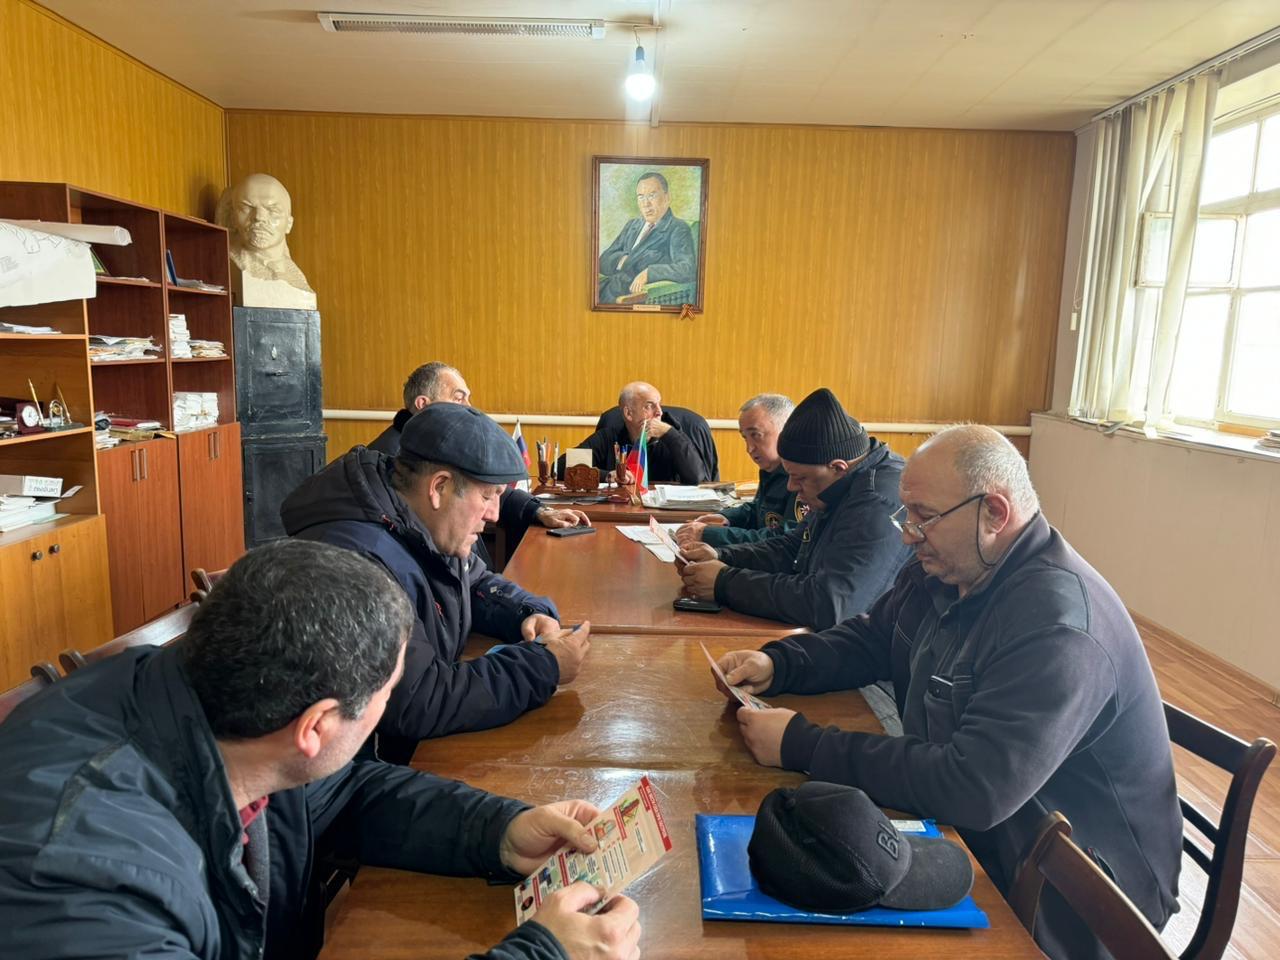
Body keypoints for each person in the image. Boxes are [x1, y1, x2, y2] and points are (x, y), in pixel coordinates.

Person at [0, 541, 641, 960]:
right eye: (387, 697)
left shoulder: (223, 705)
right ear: (317, 726)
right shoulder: (81, 879)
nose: (389, 710)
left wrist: (497, 831)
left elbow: (349, 791)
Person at [714, 425, 1182, 960]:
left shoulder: (1058, 624)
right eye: (906, 514)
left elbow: (973, 786)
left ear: (995, 513)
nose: (907, 535)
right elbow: (874, 637)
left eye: (924, 517)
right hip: (985, 831)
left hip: (1078, 897)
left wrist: (802, 744)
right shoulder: (956, 563)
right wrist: (779, 662)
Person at [281, 402, 591, 760]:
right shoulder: (357, 564)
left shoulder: (416, 521)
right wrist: (543, 667)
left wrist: (527, 612)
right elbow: (418, 699)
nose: (494, 515)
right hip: (348, 772)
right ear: (439, 487)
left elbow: (475, 582)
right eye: (486, 496)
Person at [679, 388, 910, 630]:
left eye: (800, 478)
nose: (791, 487)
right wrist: (721, 556)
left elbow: (831, 605)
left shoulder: (877, 503)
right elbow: (794, 547)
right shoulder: (837, 481)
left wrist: (725, 582)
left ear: (838, 467)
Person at [368, 361, 589, 565]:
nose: (470, 407)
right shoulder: (395, 457)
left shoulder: (441, 444)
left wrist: (538, 510)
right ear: (423, 404)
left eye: (468, 398)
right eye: (458, 398)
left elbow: (488, 489)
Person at [675, 394, 803, 549]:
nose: (749, 448)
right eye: (745, 438)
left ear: (786, 430)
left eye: (756, 435)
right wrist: (725, 517)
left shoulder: (802, 478)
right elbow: (758, 511)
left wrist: (710, 535)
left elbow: (782, 541)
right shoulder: (771, 469)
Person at [568, 381, 716, 484]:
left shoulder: (673, 436)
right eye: (649, 406)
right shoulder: (608, 437)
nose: (659, 412)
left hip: (664, 515)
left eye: (659, 404)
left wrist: (670, 434)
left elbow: (696, 477)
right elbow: (566, 465)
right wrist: (606, 476)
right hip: (621, 511)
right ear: (628, 413)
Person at [214, 172, 316, 308]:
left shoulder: (296, 279)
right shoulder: (233, 268)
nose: (259, 217)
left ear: (289, 223)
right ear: (232, 219)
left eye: (272, 210)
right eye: (247, 208)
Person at [598, 172, 696, 304]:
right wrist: (623, 260)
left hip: (632, 299)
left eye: (652, 195)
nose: (646, 204)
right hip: (604, 291)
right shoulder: (632, 225)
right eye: (641, 197)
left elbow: (687, 269)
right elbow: (602, 261)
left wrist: (649, 273)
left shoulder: (677, 228)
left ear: (667, 198)